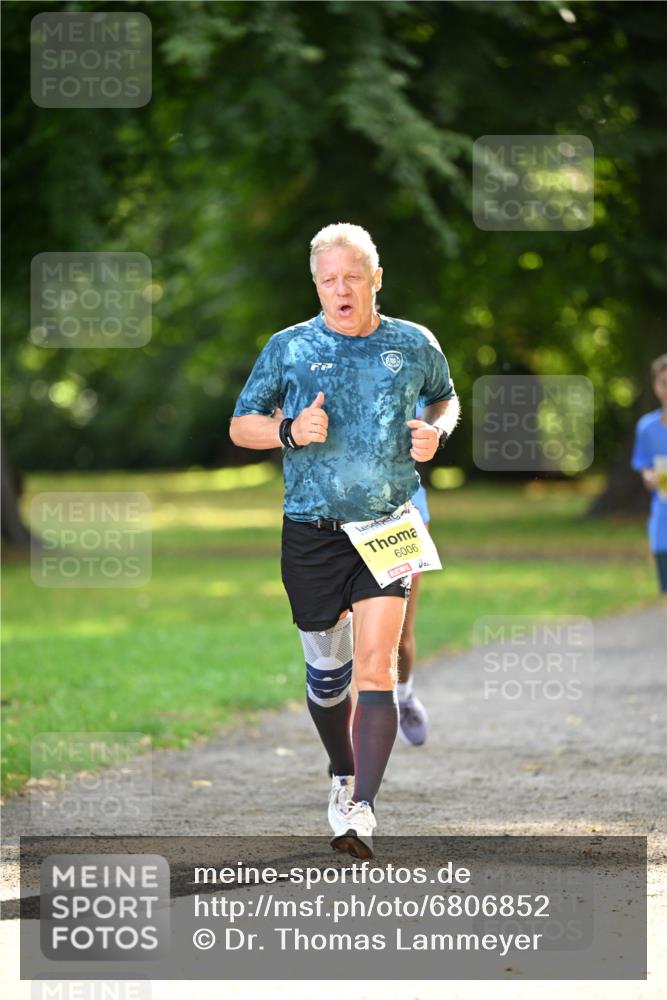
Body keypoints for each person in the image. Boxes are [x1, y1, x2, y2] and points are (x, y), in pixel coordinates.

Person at [229, 223, 459, 857]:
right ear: (316, 284)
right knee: (328, 679)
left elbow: (445, 399)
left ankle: (359, 808)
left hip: (388, 524)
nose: (341, 289)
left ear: (375, 278)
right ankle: (341, 767)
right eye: (329, 279)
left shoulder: (413, 344)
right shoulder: (289, 347)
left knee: (376, 666)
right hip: (311, 532)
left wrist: (436, 431)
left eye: (352, 276)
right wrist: (290, 430)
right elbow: (241, 425)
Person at [396, 481, 430, 746]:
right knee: (346, 636)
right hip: (336, 514)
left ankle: (404, 696)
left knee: (400, 636)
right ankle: (352, 737)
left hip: (402, 514)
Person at [631, 354, 667, 594]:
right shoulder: (646, 427)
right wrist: (649, 477)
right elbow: (643, 465)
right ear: (655, 386)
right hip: (663, 522)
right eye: (664, 383)